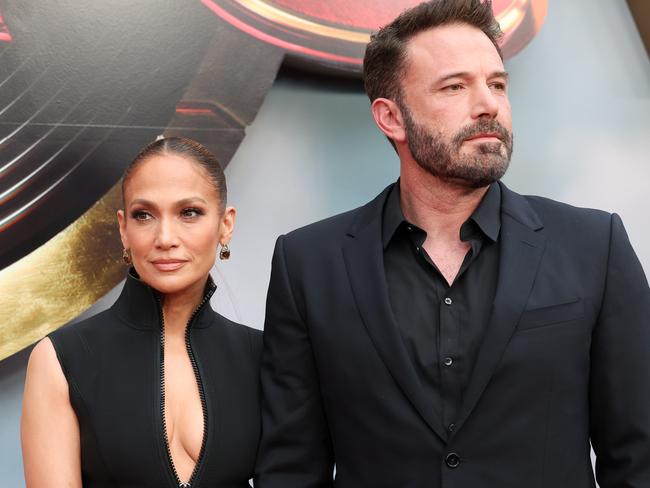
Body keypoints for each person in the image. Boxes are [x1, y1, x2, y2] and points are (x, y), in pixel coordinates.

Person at [255, 1, 650, 486]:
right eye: (455, 86)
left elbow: (638, 454)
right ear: (391, 118)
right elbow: (290, 469)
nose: (488, 103)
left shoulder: (595, 247)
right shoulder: (308, 265)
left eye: (497, 84)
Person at [21, 137, 262, 487]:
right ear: (123, 228)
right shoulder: (60, 360)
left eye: (189, 212)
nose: (165, 237)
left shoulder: (265, 357)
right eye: (144, 215)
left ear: (225, 225)